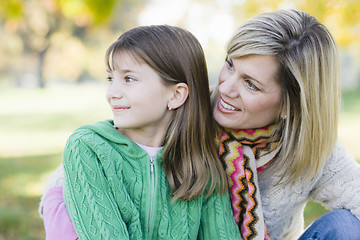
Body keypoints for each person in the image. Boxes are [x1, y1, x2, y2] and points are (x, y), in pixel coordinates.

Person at [38, 25, 242, 240]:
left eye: (129, 79)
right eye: (110, 79)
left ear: (176, 95)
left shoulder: (203, 166)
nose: (112, 94)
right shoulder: (88, 147)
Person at [212, 9, 360, 240]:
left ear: (289, 107)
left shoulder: (311, 150)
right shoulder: (185, 118)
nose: (224, 88)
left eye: (250, 84)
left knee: (346, 228)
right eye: (230, 65)